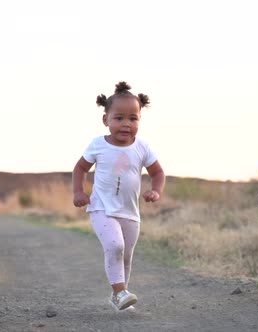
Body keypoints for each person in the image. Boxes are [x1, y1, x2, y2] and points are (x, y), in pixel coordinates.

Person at [72, 81, 166, 311]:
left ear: (139, 121)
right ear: (106, 120)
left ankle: (119, 294)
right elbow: (80, 168)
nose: (126, 124)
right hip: (102, 208)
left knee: (125, 256)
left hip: (130, 212)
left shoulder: (142, 147)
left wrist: (156, 190)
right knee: (115, 245)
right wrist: (78, 191)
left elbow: (158, 172)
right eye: (119, 118)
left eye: (133, 119)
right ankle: (120, 291)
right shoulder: (98, 145)